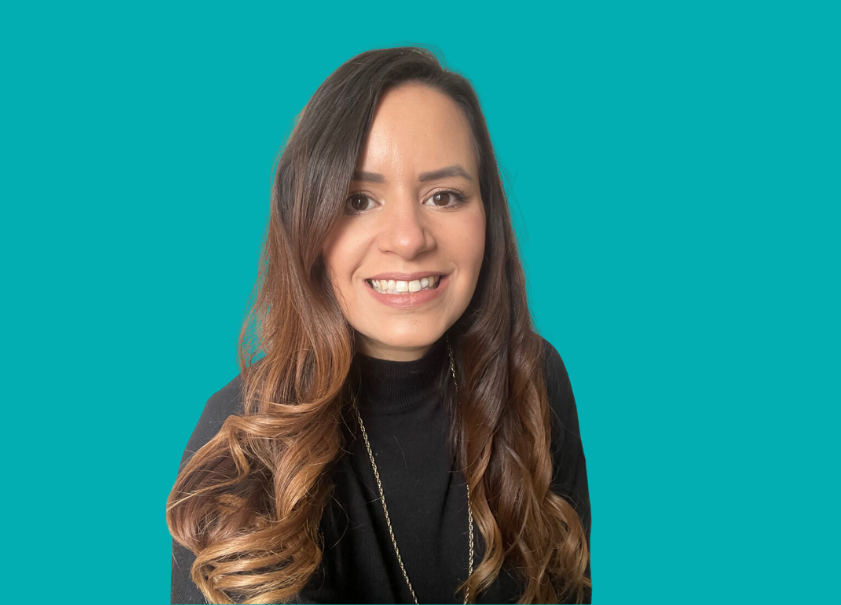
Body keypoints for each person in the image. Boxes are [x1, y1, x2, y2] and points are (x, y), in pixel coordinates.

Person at [167, 46, 591, 604]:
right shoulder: (242, 441)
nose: (410, 239)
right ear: (309, 224)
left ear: (487, 216)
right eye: (359, 199)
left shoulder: (532, 376)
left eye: (445, 196)